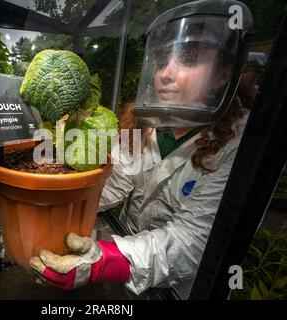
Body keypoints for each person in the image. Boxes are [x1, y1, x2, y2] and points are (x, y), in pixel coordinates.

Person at [30, 0, 254, 299]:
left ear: (222, 75)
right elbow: (114, 185)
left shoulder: (242, 142)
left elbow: (193, 239)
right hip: (124, 268)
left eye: (188, 59)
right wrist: (56, 194)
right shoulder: (144, 125)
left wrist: (106, 262)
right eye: (162, 61)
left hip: (178, 286)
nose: (165, 73)